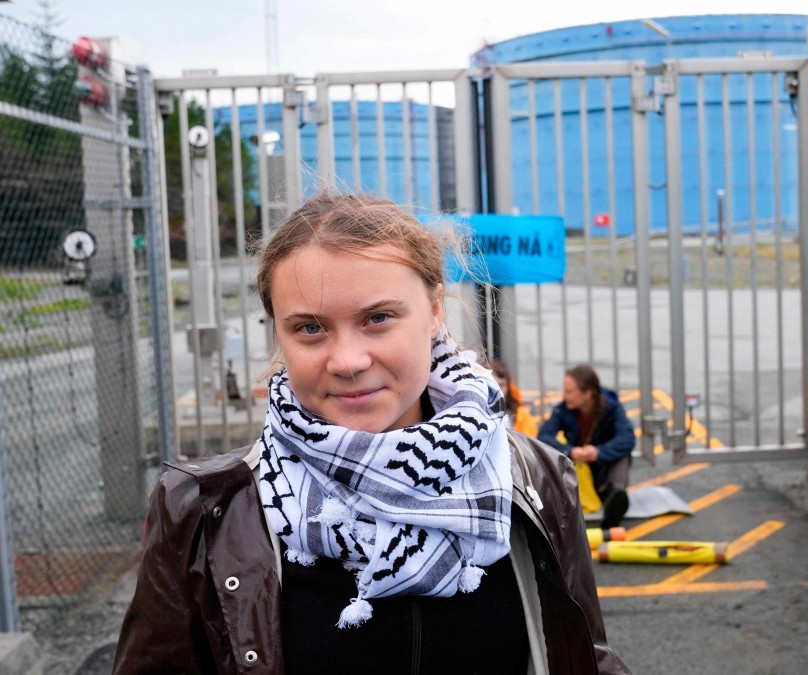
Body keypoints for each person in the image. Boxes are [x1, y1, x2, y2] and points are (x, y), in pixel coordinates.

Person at [114, 194, 628, 675]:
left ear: (433, 312)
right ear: (279, 334)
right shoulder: (204, 509)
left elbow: (584, 657)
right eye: (310, 328)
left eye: (378, 318)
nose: (348, 361)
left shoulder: (536, 480)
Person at [538, 365, 635, 529]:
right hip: (578, 469)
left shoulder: (612, 408)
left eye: (569, 391)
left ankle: (615, 497)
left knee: (622, 457)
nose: (564, 396)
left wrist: (598, 452)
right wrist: (570, 450)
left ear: (587, 394)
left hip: (603, 466)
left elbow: (627, 438)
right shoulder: (563, 410)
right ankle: (609, 499)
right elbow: (543, 436)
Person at [490, 358, 537, 436]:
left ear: (508, 387)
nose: (497, 390)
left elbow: (526, 445)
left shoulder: (523, 417)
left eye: (501, 385)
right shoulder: (473, 415)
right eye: (492, 384)